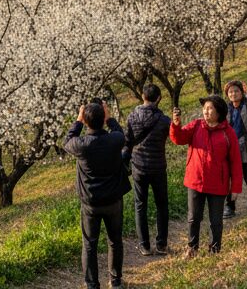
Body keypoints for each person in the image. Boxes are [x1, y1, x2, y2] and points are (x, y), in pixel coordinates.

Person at [64, 98, 129, 289]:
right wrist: (109, 118)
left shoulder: (81, 145)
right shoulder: (114, 140)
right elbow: (121, 133)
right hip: (113, 201)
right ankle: (116, 281)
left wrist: (77, 120)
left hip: (91, 203)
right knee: (115, 241)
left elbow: (67, 140)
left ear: (85, 120)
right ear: (103, 119)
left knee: (90, 244)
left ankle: (92, 284)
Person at [169, 94, 243, 257]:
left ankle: (215, 250)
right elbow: (178, 138)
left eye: (210, 108)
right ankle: (192, 248)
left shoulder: (228, 133)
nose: (206, 111)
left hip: (218, 184)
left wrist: (236, 187)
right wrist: (176, 124)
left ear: (219, 112)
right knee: (193, 218)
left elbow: (236, 162)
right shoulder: (196, 126)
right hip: (195, 180)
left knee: (216, 221)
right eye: (205, 108)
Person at [123, 83, 171, 257]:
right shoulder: (164, 120)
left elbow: (127, 141)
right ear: (158, 98)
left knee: (140, 206)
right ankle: (161, 245)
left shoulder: (132, 117)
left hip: (139, 167)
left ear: (143, 96)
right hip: (158, 167)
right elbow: (171, 136)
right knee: (162, 205)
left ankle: (144, 246)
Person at [223, 80, 247, 218]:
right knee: (230, 178)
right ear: (227, 95)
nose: (233, 94)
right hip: (230, 148)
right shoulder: (226, 109)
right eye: (230, 92)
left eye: (236, 91)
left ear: (241, 92)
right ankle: (230, 206)